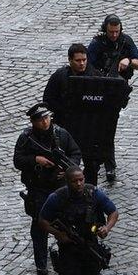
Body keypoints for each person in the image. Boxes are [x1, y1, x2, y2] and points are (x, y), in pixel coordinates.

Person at [13, 103, 82, 275]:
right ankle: (41, 263)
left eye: (47, 118)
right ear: (33, 122)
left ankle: (67, 259)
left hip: (60, 188)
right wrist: (36, 160)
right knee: (39, 225)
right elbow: (18, 160)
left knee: (66, 223)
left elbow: (75, 153)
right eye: (40, 120)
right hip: (38, 188)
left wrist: (67, 171)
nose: (45, 122)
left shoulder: (61, 134)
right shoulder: (26, 138)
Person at [86, 15, 138, 183]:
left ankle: (109, 164)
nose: (114, 35)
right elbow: (87, 64)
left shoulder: (125, 41)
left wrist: (128, 61)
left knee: (109, 126)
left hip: (116, 91)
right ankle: (98, 159)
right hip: (98, 88)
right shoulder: (97, 43)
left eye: (117, 31)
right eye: (111, 32)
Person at [43, 43, 104, 185]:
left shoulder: (95, 76)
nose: (82, 63)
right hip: (66, 127)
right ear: (70, 60)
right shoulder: (60, 76)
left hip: (89, 129)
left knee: (92, 164)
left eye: (84, 59)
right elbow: (48, 100)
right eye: (78, 60)